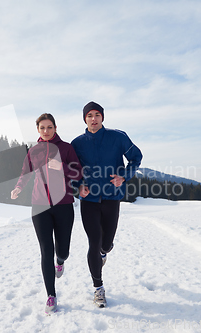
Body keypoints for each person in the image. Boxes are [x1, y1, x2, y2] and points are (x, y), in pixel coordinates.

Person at [71, 101, 143, 307]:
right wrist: (78, 185)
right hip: (89, 200)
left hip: (112, 197)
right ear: (84, 119)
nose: (93, 119)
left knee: (106, 243)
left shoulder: (118, 137)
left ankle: (104, 251)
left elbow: (136, 158)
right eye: (89, 115)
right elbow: (72, 169)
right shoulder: (77, 143)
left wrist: (124, 176)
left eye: (97, 115)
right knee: (93, 243)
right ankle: (98, 288)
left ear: (102, 117)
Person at [11, 113, 83, 314]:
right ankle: (51, 295)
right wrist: (18, 188)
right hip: (39, 206)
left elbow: (78, 173)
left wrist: (61, 167)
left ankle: (60, 262)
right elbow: (25, 173)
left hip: (64, 205)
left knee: (63, 251)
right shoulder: (33, 151)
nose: (46, 131)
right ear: (38, 130)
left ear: (55, 127)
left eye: (49, 127)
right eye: (42, 128)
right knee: (45, 250)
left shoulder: (66, 148)